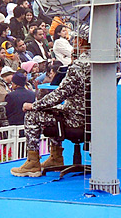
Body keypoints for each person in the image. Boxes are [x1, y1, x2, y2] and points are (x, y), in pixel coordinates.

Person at [11, 49, 91, 177]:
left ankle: (33, 163)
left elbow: (59, 95)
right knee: (54, 110)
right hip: (95, 119)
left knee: (32, 115)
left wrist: (34, 105)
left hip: (75, 120)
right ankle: (55, 158)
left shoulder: (78, 67)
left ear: (81, 42)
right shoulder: (103, 63)